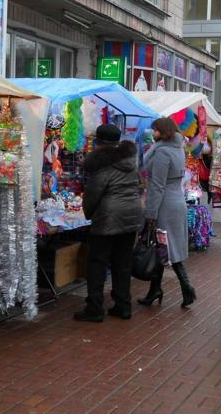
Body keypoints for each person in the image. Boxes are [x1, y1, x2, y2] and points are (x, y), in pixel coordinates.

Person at [74, 125, 142, 322]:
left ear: (99, 141)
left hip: (108, 218)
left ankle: (94, 308)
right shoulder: (130, 161)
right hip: (131, 215)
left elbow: (93, 193)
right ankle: (123, 305)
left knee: (97, 263)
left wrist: (88, 213)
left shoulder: (103, 164)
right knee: (122, 263)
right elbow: (138, 187)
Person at [138, 117, 195, 308]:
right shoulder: (177, 148)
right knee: (162, 247)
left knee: (165, 247)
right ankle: (155, 290)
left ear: (163, 132)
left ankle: (187, 287)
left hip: (164, 204)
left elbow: (157, 185)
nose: (152, 133)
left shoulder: (162, 152)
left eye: (155, 130)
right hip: (175, 200)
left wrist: (150, 213)